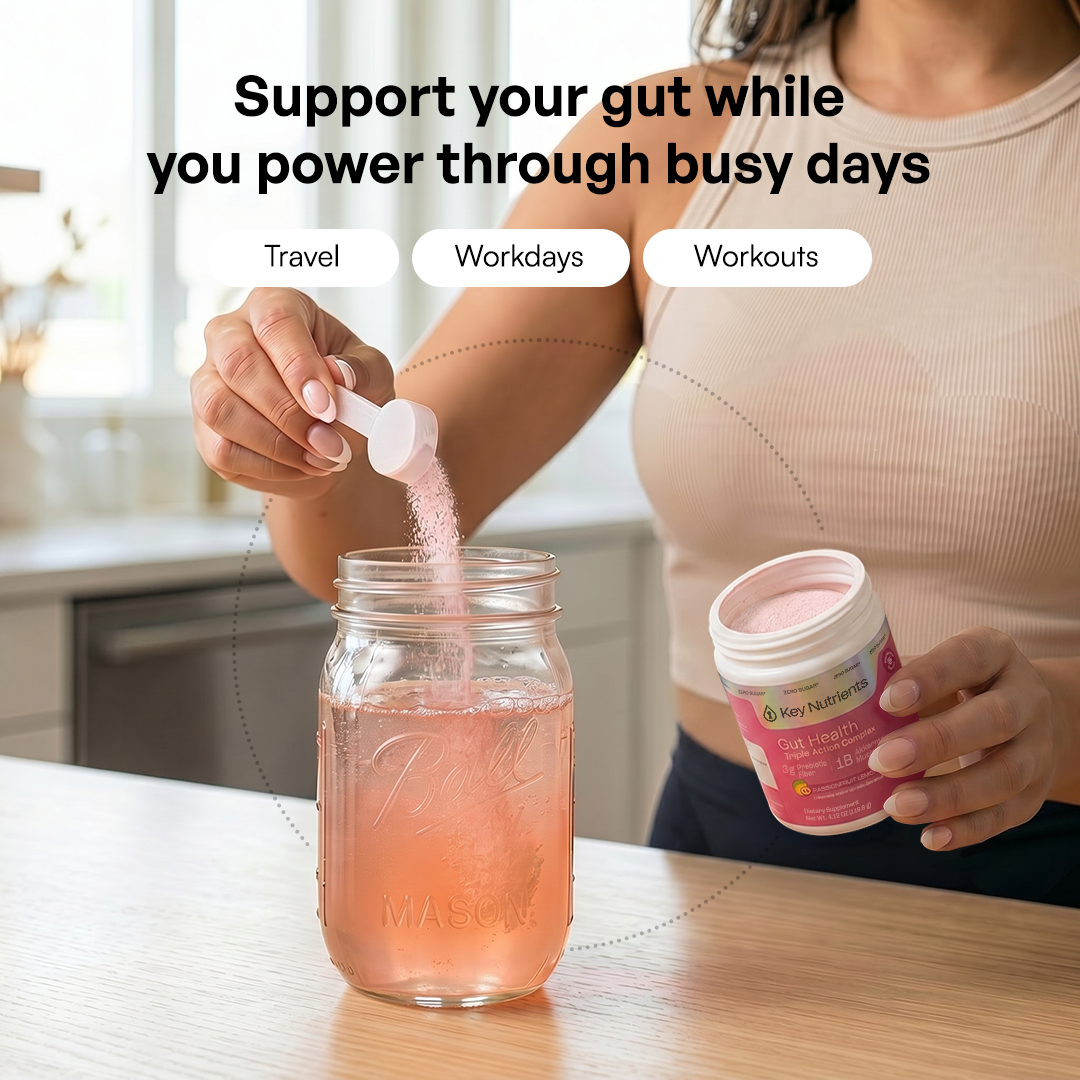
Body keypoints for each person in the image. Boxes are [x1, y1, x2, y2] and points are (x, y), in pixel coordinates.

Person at [193, 0, 1080, 905]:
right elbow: (367, 539)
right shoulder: (660, 140)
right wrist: (302, 429)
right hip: (724, 880)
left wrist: (1059, 721)